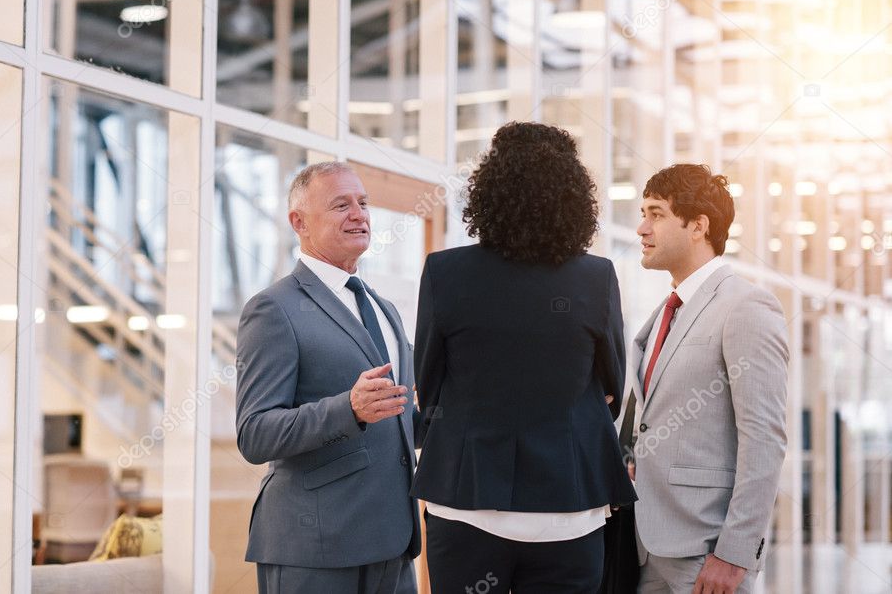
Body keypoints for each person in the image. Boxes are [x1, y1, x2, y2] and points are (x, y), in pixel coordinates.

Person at [412, 122, 637, 593]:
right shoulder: (595, 279)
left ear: (488, 187)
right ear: (573, 194)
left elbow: (429, 387)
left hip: (467, 498)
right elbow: (612, 388)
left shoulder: (445, 273)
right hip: (569, 506)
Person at [235, 162, 420, 594]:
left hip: (392, 544)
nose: (359, 214)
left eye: (363, 202)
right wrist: (348, 408)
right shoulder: (273, 309)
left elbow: (400, 419)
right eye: (341, 205)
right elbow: (254, 434)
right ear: (298, 222)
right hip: (313, 549)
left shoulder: (384, 309)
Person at [630, 164, 788, 594]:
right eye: (643, 213)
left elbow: (765, 437)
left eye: (657, 214)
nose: (642, 228)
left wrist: (736, 553)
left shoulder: (747, 306)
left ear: (698, 225)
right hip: (645, 547)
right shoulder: (666, 310)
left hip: (706, 554)